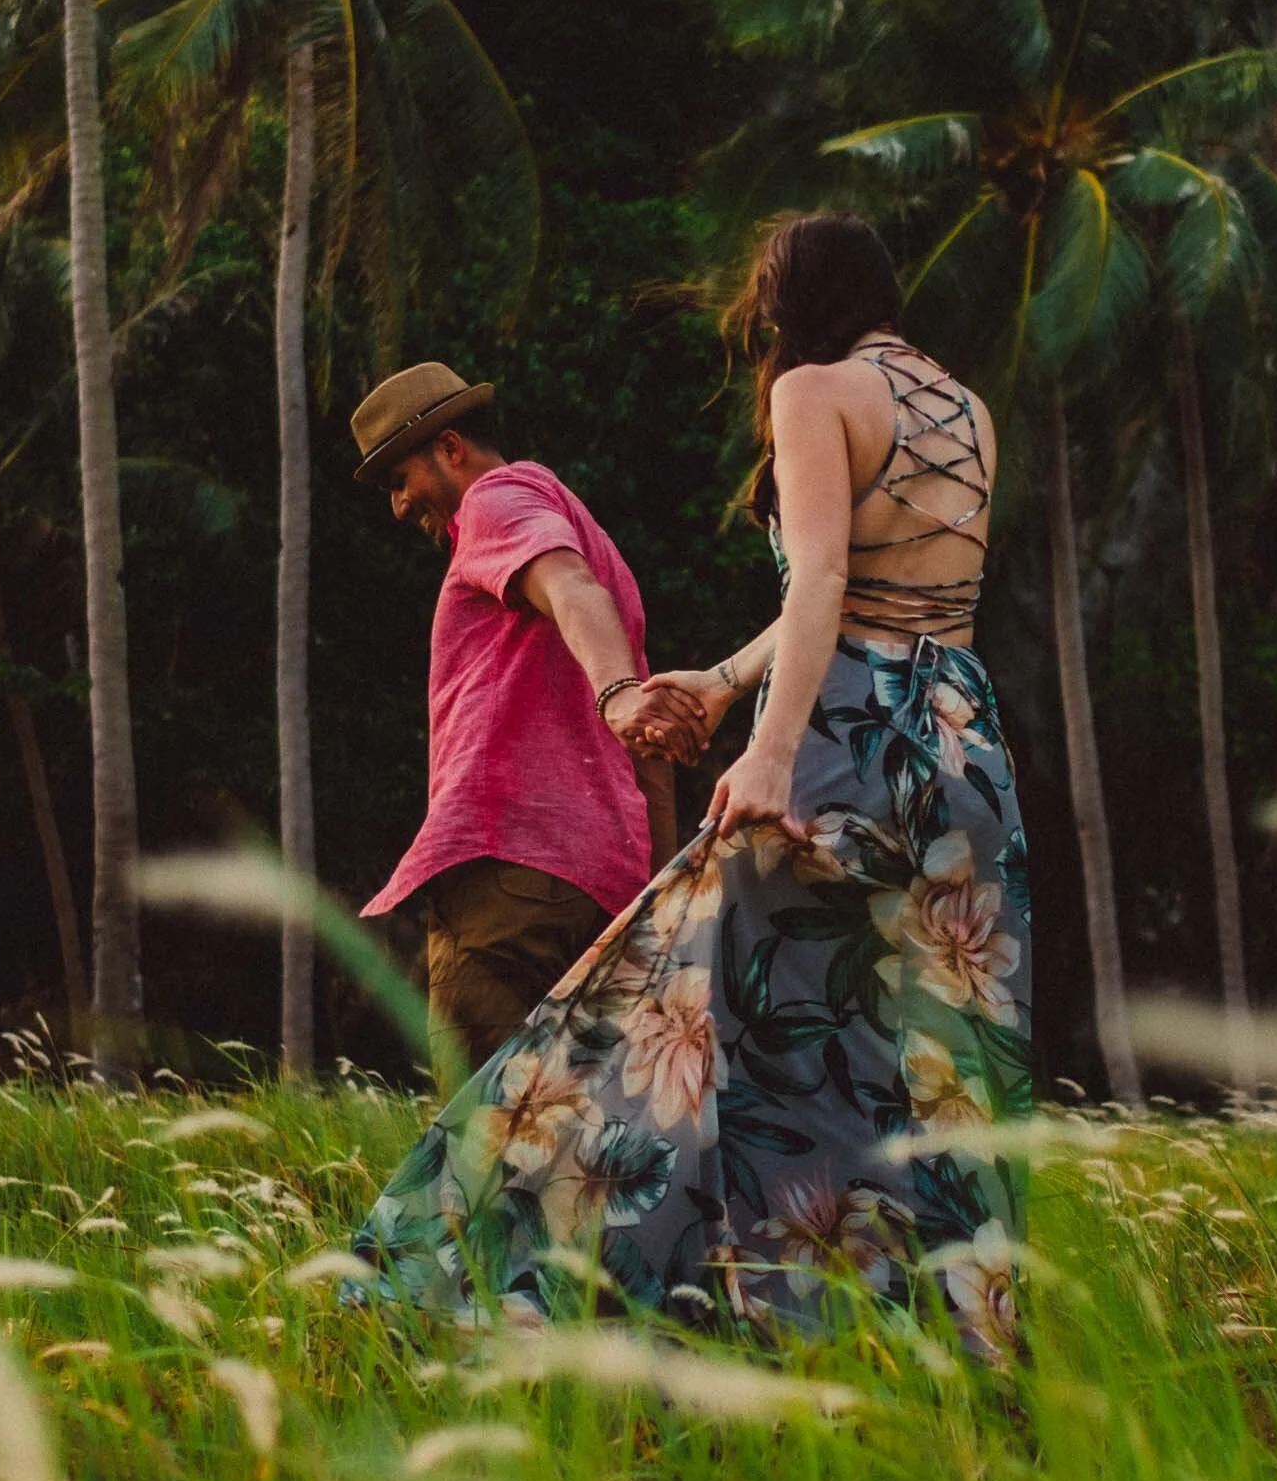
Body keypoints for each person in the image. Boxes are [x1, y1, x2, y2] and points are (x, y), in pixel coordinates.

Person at [352, 217, 1034, 1358]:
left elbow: (820, 581)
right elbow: (884, 595)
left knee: (678, 1020)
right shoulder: (965, 412)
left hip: (846, 737)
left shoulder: (814, 391)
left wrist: (765, 749)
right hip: (962, 743)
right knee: (935, 1052)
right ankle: (948, 1332)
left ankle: (548, 1294)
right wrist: (718, 685)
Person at [352, 361, 706, 1085]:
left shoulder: (495, 503)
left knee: (484, 1162)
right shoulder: (592, 543)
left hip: (509, 883)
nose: (398, 506)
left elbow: (569, 593)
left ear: (451, 448)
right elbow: (650, 749)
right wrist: (658, 902)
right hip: (597, 895)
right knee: (582, 1165)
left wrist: (613, 695)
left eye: (399, 479)